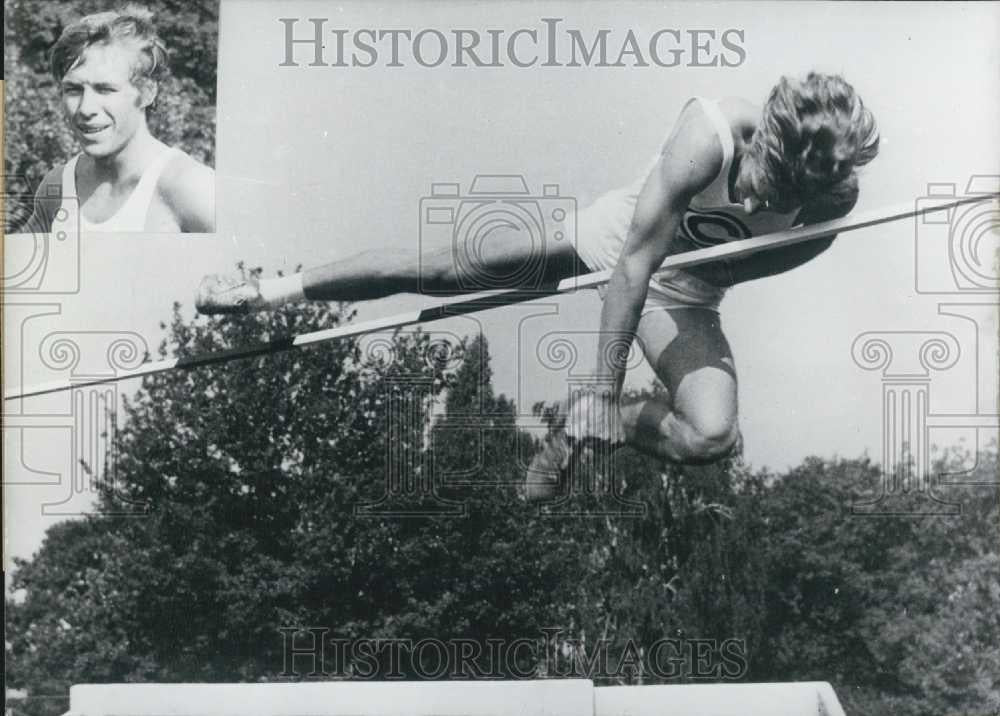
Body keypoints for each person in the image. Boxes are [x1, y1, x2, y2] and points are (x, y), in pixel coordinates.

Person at [196, 72, 878, 496]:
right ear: (764, 139)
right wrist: (599, 388)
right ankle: (265, 292)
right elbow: (633, 263)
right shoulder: (709, 136)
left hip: (685, 288)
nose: (761, 206)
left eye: (781, 198)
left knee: (710, 436)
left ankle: (587, 427)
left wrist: (598, 413)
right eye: (764, 186)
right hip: (615, 240)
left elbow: (754, 261)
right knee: (440, 270)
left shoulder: (829, 206)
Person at [26, 7, 215, 234]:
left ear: (147, 92)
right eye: (73, 89)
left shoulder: (190, 186)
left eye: (105, 89)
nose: (86, 109)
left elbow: (252, 264)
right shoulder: (58, 186)